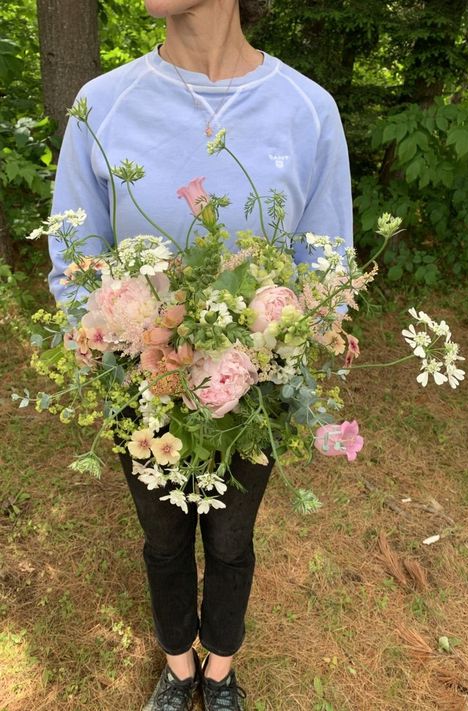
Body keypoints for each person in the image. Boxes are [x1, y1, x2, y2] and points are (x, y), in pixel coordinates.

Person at [48, 1, 353, 708]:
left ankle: (219, 670)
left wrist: (271, 347)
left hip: (255, 399)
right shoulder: (102, 106)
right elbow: (74, 261)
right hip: (142, 392)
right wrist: (127, 344)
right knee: (162, 539)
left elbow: (328, 266)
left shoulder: (307, 111)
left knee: (229, 540)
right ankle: (177, 665)